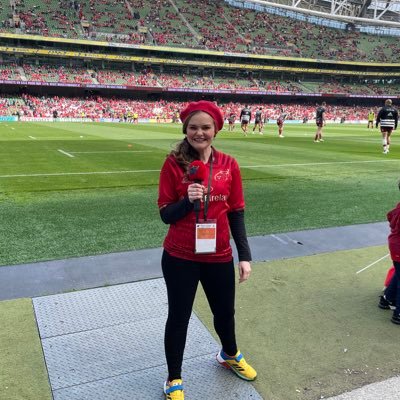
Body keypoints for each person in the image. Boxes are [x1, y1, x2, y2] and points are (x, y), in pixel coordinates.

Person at [158, 100, 257, 400]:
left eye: (206, 127)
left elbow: (236, 212)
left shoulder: (229, 164)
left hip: (218, 255)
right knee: (179, 317)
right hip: (179, 256)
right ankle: (174, 378)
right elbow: (166, 214)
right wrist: (187, 200)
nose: (199, 133)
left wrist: (245, 256)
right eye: (193, 127)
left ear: (216, 129)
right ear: (185, 129)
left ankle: (229, 354)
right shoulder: (173, 164)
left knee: (225, 313)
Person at [378, 182, 400, 325]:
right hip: (399, 246)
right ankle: (398, 313)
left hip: (395, 245)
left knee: (399, 273)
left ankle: (387, 299)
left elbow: (390, 216)